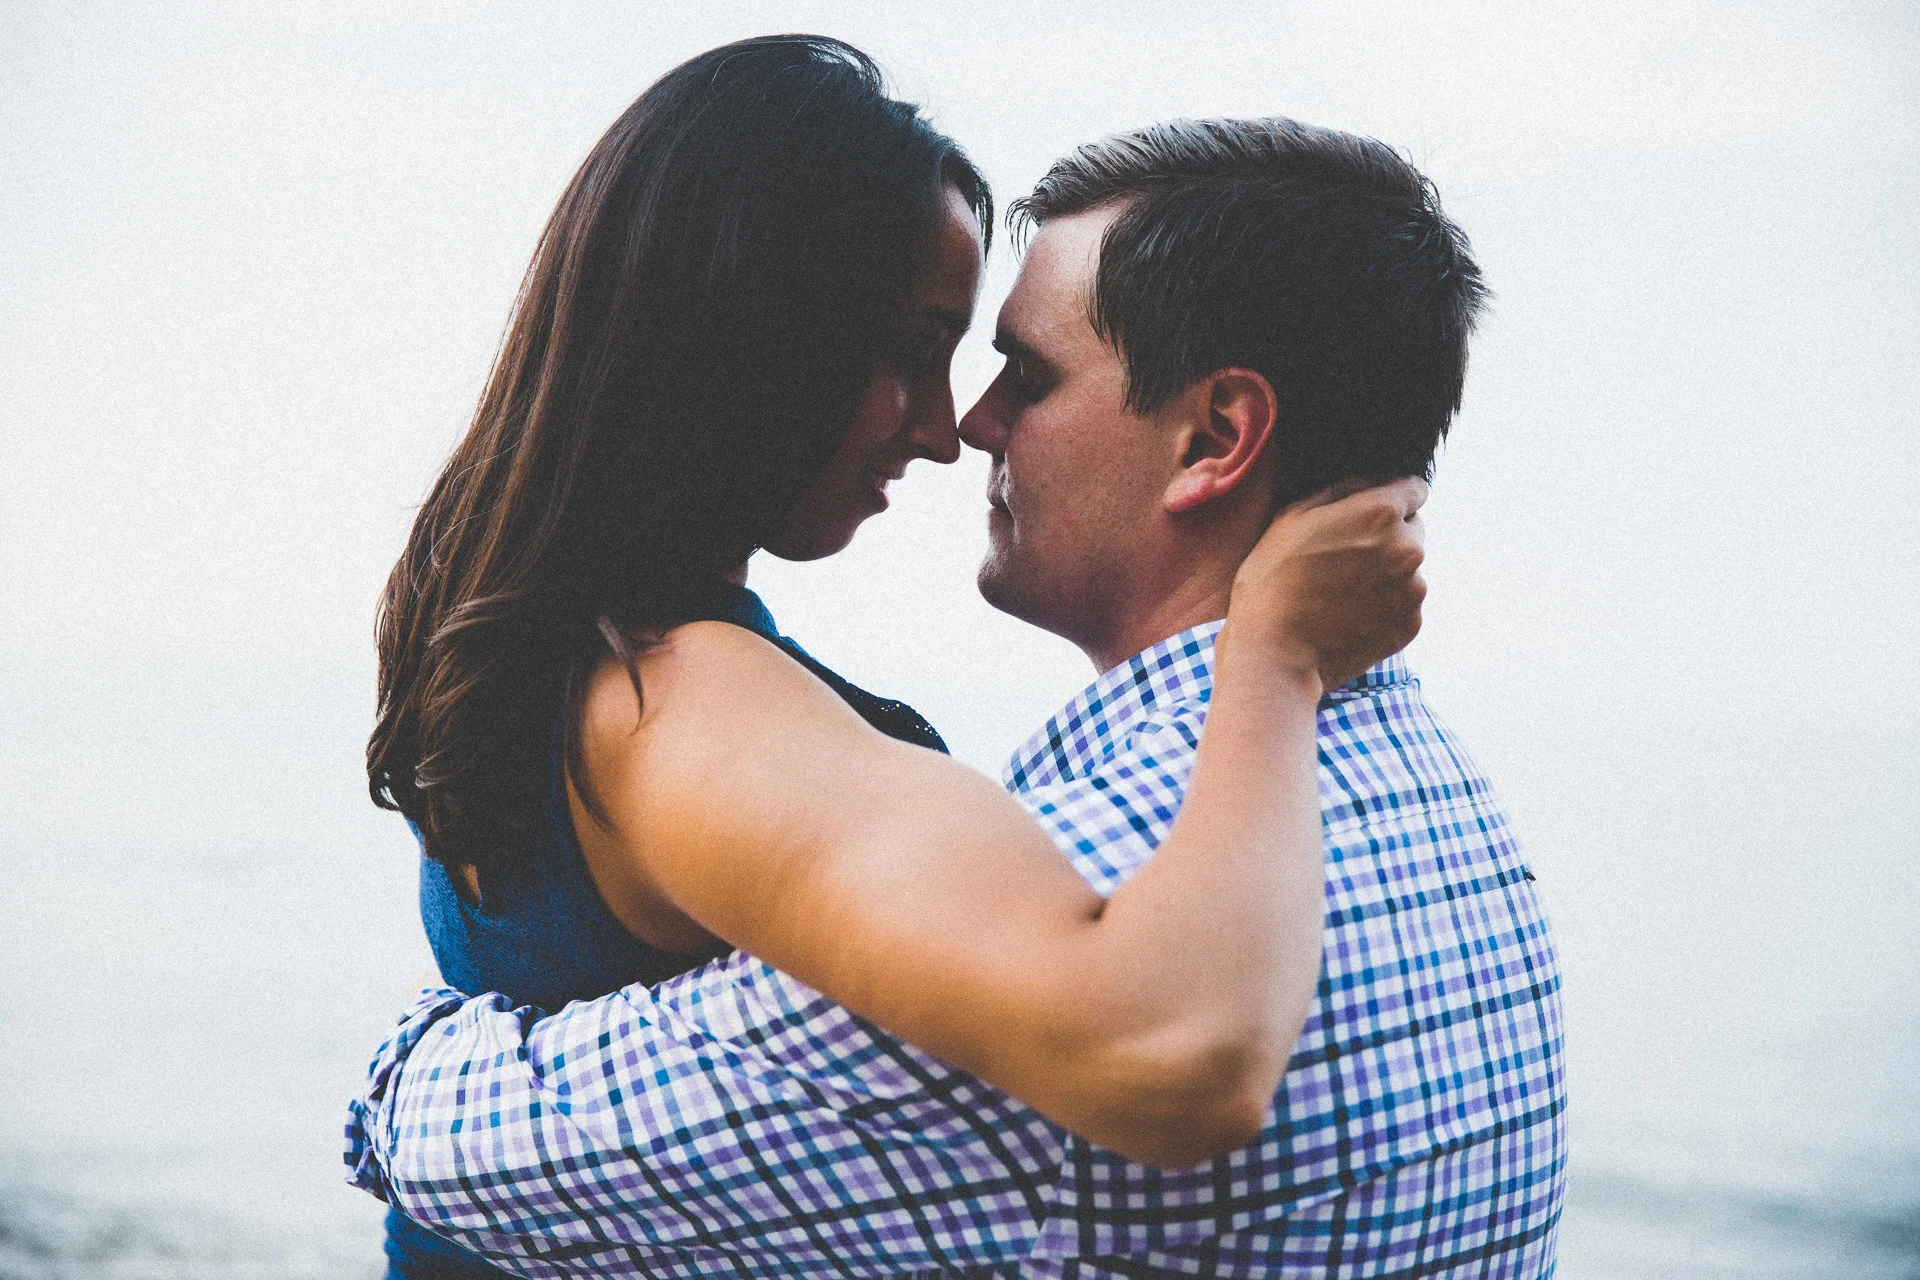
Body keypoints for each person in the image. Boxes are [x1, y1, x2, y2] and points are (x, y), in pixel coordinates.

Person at [349, 113, 1566, 1278]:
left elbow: (501, 1152)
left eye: (1026, 375)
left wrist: (419, 1056)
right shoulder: (1454, 817)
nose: (964, 426)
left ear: (1213, 438)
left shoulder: (1114, 888)